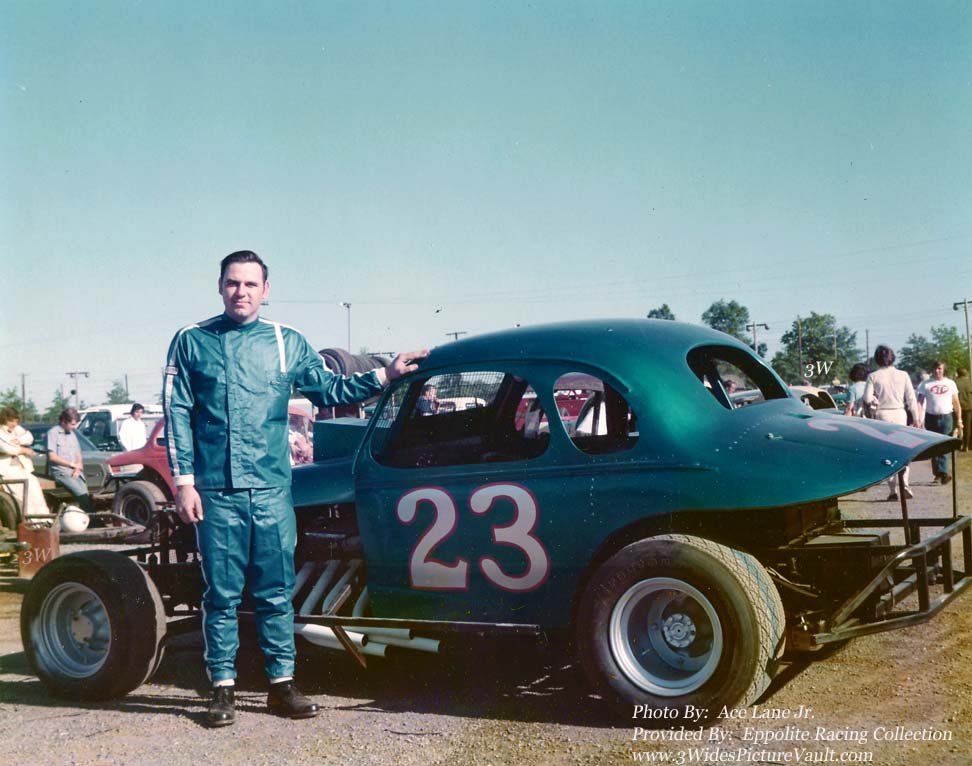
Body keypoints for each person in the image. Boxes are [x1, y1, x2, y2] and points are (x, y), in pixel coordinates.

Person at [163, 250, 428, 728]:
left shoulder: (286, 342)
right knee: (221, 594)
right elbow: (177, 412)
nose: (240, 292)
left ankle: (281, 686)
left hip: (271, 489)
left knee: (275, 590)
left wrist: (384, 375)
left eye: (250, 284)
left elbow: (328, 390)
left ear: (265, 290)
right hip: (217, 492)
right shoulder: (191, 341)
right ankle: (221, 688)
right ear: (219, 286)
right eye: (232, 283)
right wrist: (184, 484)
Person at [863, 345, 921, 501]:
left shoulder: (873, 376)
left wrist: (874, 400)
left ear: (877, 359)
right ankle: (905, 484)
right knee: (903, 450)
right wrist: (916, 418)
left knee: (887, 452)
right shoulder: (903, 375)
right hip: (900, 413)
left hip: (882, 414)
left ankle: (892, 490)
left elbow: (867, 398)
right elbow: (911, 398)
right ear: (892, 357)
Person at [916, 361, 963, 483]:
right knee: (934, 445)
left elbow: (956, 402)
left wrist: (959, 419)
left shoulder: (950, 383)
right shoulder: (926, 384)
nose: (937, 371)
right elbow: (920, 402)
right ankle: (938, 473)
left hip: (946, 417)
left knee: (944, 444)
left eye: (939, 368)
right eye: (935, 368)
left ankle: (944, 472)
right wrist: (918, 418)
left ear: (944, 370)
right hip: (931, 417)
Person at [0, 406, 49, 518]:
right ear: (4, 419)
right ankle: (31, 522)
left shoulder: (16, 428)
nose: (14, 424)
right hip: (8, 471)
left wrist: (18, 440)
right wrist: (24, 450)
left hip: (24, 468)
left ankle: (45, 520)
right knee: (23, 497)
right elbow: (7, 448)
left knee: (36, 493)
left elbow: (29, 437)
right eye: (11, 421)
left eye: (16, 421)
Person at [46, 408, 94, 513]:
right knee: (81, 495)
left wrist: (77, 468)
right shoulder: (53, 433)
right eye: (72, 424)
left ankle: (88, 517)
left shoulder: (72, 434)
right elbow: (52, 457)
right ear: (64, 421)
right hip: (61, 472)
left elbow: (78, 453)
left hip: (76, 472)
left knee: (86, 496)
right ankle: (92, 518)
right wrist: (72, 465)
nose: (74, 427)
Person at [957, 367, 972, 452]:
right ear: (966, 373)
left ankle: (959, 444)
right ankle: (967, 445)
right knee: (968, 427)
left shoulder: (955, 382)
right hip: (969, 407)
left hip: (958, 407)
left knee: (958, 427)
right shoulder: (970, 382)